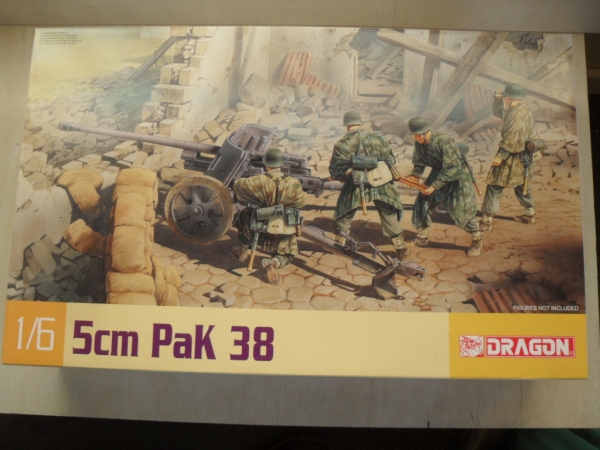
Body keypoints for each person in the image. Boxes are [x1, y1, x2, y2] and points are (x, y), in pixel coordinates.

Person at [328, 111, 409, 260]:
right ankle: (400, 247)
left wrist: (342, 177)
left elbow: (335, 170)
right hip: (382, 181)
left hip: (358, 183)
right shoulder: (377, 137)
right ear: (360, 123)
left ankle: (341, 241)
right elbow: (390, 160)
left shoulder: (342, 144)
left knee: (345, 210)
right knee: (388, 212)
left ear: (346, 125)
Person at [405, 116, 483, 257]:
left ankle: (477, 239)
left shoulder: (443, 140)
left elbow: (453, 168)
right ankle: (422, 237)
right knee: (423, 203)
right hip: (438, 174)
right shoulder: (419, 142)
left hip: (457, 177)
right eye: (414, 135)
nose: (415, 138)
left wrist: (434, 186)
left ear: (425, 132)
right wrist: (415, 175)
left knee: (462, 210)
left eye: (417, 135)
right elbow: (419, 162)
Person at [231, 148, 306, 285]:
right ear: (281, 164)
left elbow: (238, 185)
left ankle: (243, 250)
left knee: (245, 214)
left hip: (263, 219)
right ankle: (274, 262)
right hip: (285, 224)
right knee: (287, 252)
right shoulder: (293, 182)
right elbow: (301, 203)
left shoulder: (259, 180)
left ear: (267, 165)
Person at [480, 83, 536, 232]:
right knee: (522, 184)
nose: (504, 100)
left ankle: (486, 221)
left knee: (495, 184)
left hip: (511, 154)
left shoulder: (519, 114)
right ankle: (530, 214)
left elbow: (513, 136)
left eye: (505, 97)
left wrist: (501, 156)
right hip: (521, 154)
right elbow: (499, 112)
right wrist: (497, 100)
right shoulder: (516, 109)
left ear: (510, 98)